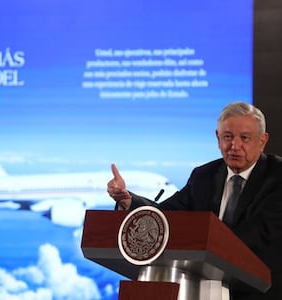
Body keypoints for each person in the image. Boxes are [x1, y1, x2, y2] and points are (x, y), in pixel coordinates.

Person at [107, 101, 282, 300]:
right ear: (217, 138)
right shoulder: (204, 176)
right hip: (203, 291)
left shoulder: (277, 177)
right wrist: (129, 201)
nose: (235, 145)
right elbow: (167, 216)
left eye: (244, 138)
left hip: (260, 293)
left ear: (262, 141)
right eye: (227, 137)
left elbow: (262, 233)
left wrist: (208, 246)